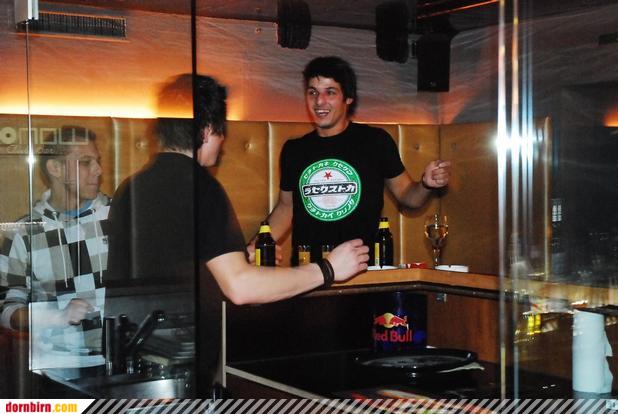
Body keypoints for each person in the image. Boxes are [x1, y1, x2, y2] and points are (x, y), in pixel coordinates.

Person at [107, 74, 368, 389]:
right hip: (179, 372)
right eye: (222, 133)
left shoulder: (131, 186)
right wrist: (328, 269)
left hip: (132, 365)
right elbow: (240, 288)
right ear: (207, 131)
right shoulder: (201, 186)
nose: (222, 143)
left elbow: (168, 265)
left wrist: (236, 255)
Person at [250, 56, 451, 263]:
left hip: (362, 270)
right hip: (308, 270)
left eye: (330, 92)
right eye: (313, 92)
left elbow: (408, 196)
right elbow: (286, 207)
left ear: (348, 98)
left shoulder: (375, 141)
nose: (319, 101)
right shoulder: (294, 150)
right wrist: (256, 246)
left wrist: (426, 184)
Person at [0, 126, 111, 368]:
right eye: (85, 162)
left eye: (98, 161)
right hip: (56, 366)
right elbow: (6, 309)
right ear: (55, 168)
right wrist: (55, 317)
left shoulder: (119, 217)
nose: (98, 170)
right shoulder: (24, 231)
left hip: (122, 359)